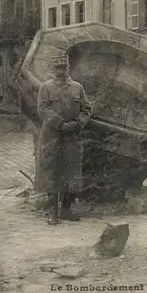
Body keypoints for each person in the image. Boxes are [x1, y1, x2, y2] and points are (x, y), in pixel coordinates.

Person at [37, 55, 92, 225]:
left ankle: (66, 209)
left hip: (72, 136)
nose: (60, 71)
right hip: (51, 136)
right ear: (53, 70)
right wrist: (60, 124)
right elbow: (43, 109)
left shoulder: (77, 87)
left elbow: (87, 108)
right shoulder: (45, 88)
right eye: (57, 68)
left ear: (68, 68)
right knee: (52, 171)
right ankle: (52, 212)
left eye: (63, 68)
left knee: (71, 171)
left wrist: (78, 123)